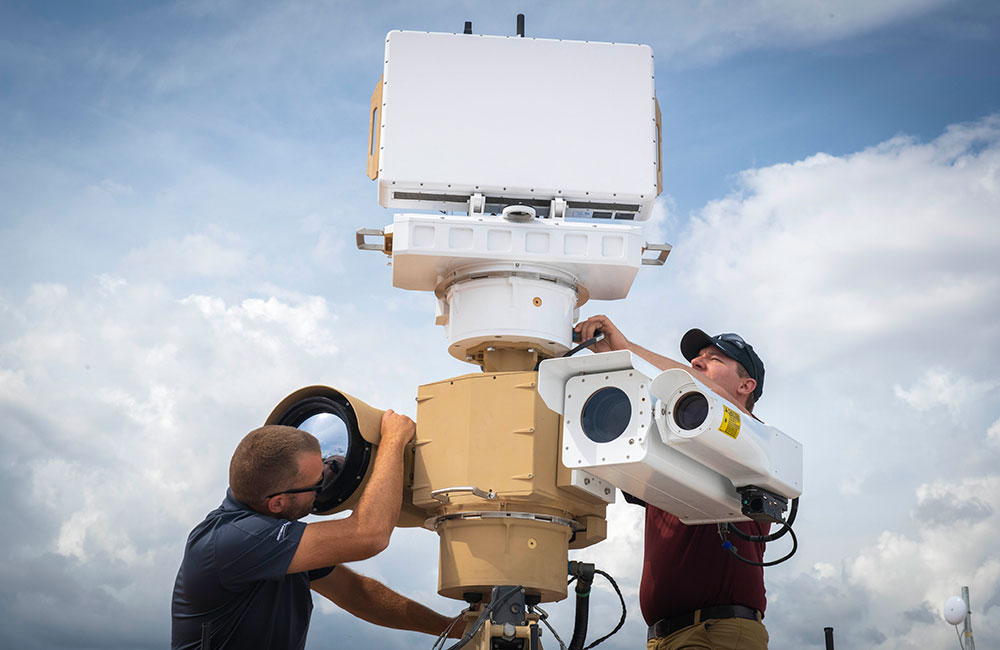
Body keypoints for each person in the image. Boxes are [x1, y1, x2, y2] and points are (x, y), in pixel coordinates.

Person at [171, 411, 461, 650]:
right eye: (317, 484)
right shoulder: (234, 540)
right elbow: (368, 534)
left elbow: (356, 592)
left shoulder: (271, 538)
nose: (322, 489)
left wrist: (451, 628)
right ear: (277, 503)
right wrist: (393, 442)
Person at [575, 315, 770, 650]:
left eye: (714, 359)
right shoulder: (671, 452)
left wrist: (628, 348)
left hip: (716, 633)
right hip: (663, 637)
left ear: (745, 386)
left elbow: (712, 396)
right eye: (696, 360)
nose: (696, 362)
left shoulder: (755, 440)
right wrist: (610, 360)